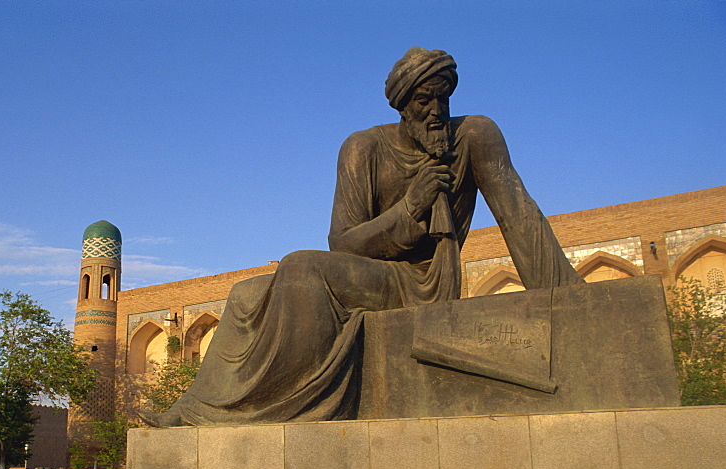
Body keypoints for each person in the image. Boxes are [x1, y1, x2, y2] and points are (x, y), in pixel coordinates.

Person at [139, 47, 582, 427]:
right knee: (244, 295)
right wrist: (411, 208)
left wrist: (570, 299)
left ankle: (277, 405)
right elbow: (345, 244)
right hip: (375, 273)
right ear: (402, 104)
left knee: (302, 265)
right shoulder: (363, 148)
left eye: (442, 98)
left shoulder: (473, 136)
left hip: (421, 282)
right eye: (424, 100)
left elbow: (520, 216)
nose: (436, 111)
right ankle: (199, 408)